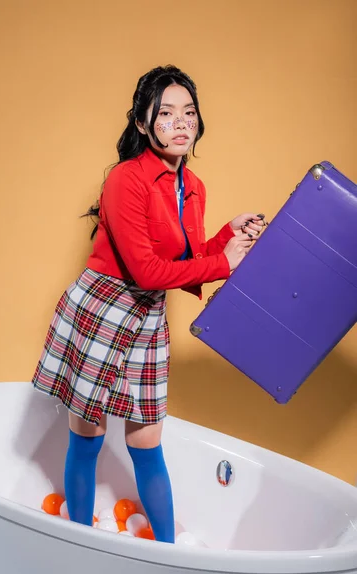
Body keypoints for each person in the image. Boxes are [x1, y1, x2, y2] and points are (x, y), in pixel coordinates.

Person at [32, 64, 265, 544]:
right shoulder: (125, 179)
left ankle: (169, 552)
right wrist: (222, 261)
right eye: (166, 113)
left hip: (148, 315)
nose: (181, 123)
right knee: (88, 433)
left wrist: (227, 238)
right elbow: (145, 271)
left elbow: (184, 261)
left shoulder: (193, 187)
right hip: (103, 308)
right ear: (142, 123)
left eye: (189, 113)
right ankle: (79, 541)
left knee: (146, 441)